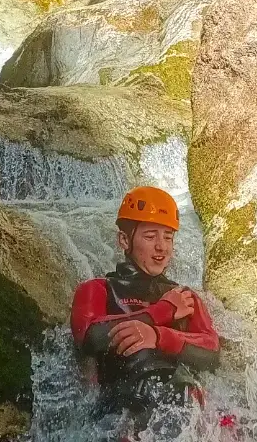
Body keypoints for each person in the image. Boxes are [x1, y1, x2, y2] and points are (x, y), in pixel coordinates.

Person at [70, 186, 221, 439]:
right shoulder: (97, 289)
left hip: (179, 399)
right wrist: (162, 311)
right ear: (124, 240)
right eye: (150, 237)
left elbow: (212, 353)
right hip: (120, 408)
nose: (161, 247)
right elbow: (89, 337)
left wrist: (158, 336)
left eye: (168, 237)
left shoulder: (185, 297)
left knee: (183, 390)